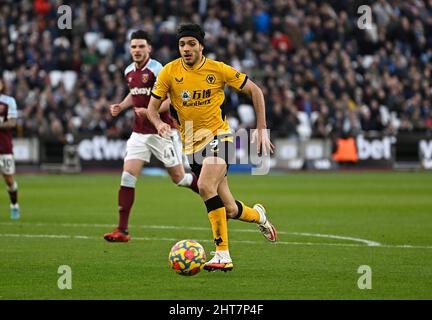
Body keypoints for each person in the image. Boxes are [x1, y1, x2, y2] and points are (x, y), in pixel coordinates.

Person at [146, 24, 278, 272]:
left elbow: (255, 90)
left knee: (205, 185)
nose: (186, 48)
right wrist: (158, 124)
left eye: (191, 44)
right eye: (182, 44)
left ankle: (222, 254)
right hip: (192, 148)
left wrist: (261, 128)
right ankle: (259, 216)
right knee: (228, 209)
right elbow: (154, 109)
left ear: (201, 46)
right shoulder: (168, 73)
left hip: (220, 137)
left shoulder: (217, 69)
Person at [103, 30, 199, 243]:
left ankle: (209, 191)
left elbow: (171, 100)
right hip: (139, 133)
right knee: (127, 176)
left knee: (180, 179)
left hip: (162, 130)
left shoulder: (158, 70)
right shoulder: (129, 70)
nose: (137, 50)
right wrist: (122, 105)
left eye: (141, 46)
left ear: (149, 49)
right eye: (133, 47)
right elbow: (134, 92)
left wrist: (150, 111)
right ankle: (122, 230)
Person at [0, 78, 20, 220]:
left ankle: (14, 205)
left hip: (4, 147)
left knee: (9, 181)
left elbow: (12, 123)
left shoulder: (8, 101)